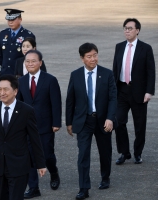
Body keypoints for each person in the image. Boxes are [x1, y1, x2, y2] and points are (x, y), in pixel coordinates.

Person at [0, 75, 46, 200]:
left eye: (6, 89)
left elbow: (35, 139)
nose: (2, 93)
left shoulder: (26, 111)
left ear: (15, 91)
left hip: (18, 165)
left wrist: (41, 164)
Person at [65, 43, 117, 200]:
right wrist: (69, 122)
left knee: (105, 152)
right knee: (83, 155)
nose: (93, 59)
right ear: (82, 59)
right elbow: (70, 100)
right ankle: (83, 188)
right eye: (89, 56)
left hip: (102, 120)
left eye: (95, 55)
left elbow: (113, 98)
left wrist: (110, 118)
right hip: (83, 121)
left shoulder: (107, 74)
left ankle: (105, 177)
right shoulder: (75, 75)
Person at [17, 50, 61, 198]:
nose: (30, 64)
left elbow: (56, 103)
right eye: (27, 61)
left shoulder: (50, 80)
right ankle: (33, 188)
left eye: (33, 61)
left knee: (47, 155)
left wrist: (56, 122)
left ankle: (54, 173)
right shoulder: (21, 81)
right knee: (28, 156)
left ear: (40, 63)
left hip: (45, 125)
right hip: (27, 126)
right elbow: (19, 104)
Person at [112, 18, 156, 165]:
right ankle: (124, 153)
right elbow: (115, 70)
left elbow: (151, 71)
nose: (127, 31)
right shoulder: (119, 47)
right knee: (118, 121)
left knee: (140, 125)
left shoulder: (145, 48)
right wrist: (112, 90)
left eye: (130, 28)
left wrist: (149, 91)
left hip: (139, 92)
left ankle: (138, 153)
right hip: (121, 91)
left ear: (137, 30)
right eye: (125, 28)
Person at [0, 8, 35, 84]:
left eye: (13, 20)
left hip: (20, 74)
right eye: (8, 20)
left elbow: (32, 55)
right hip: (5, 73)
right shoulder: (3, 34)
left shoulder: (28, 35)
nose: (10, 22)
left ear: (20, 19)